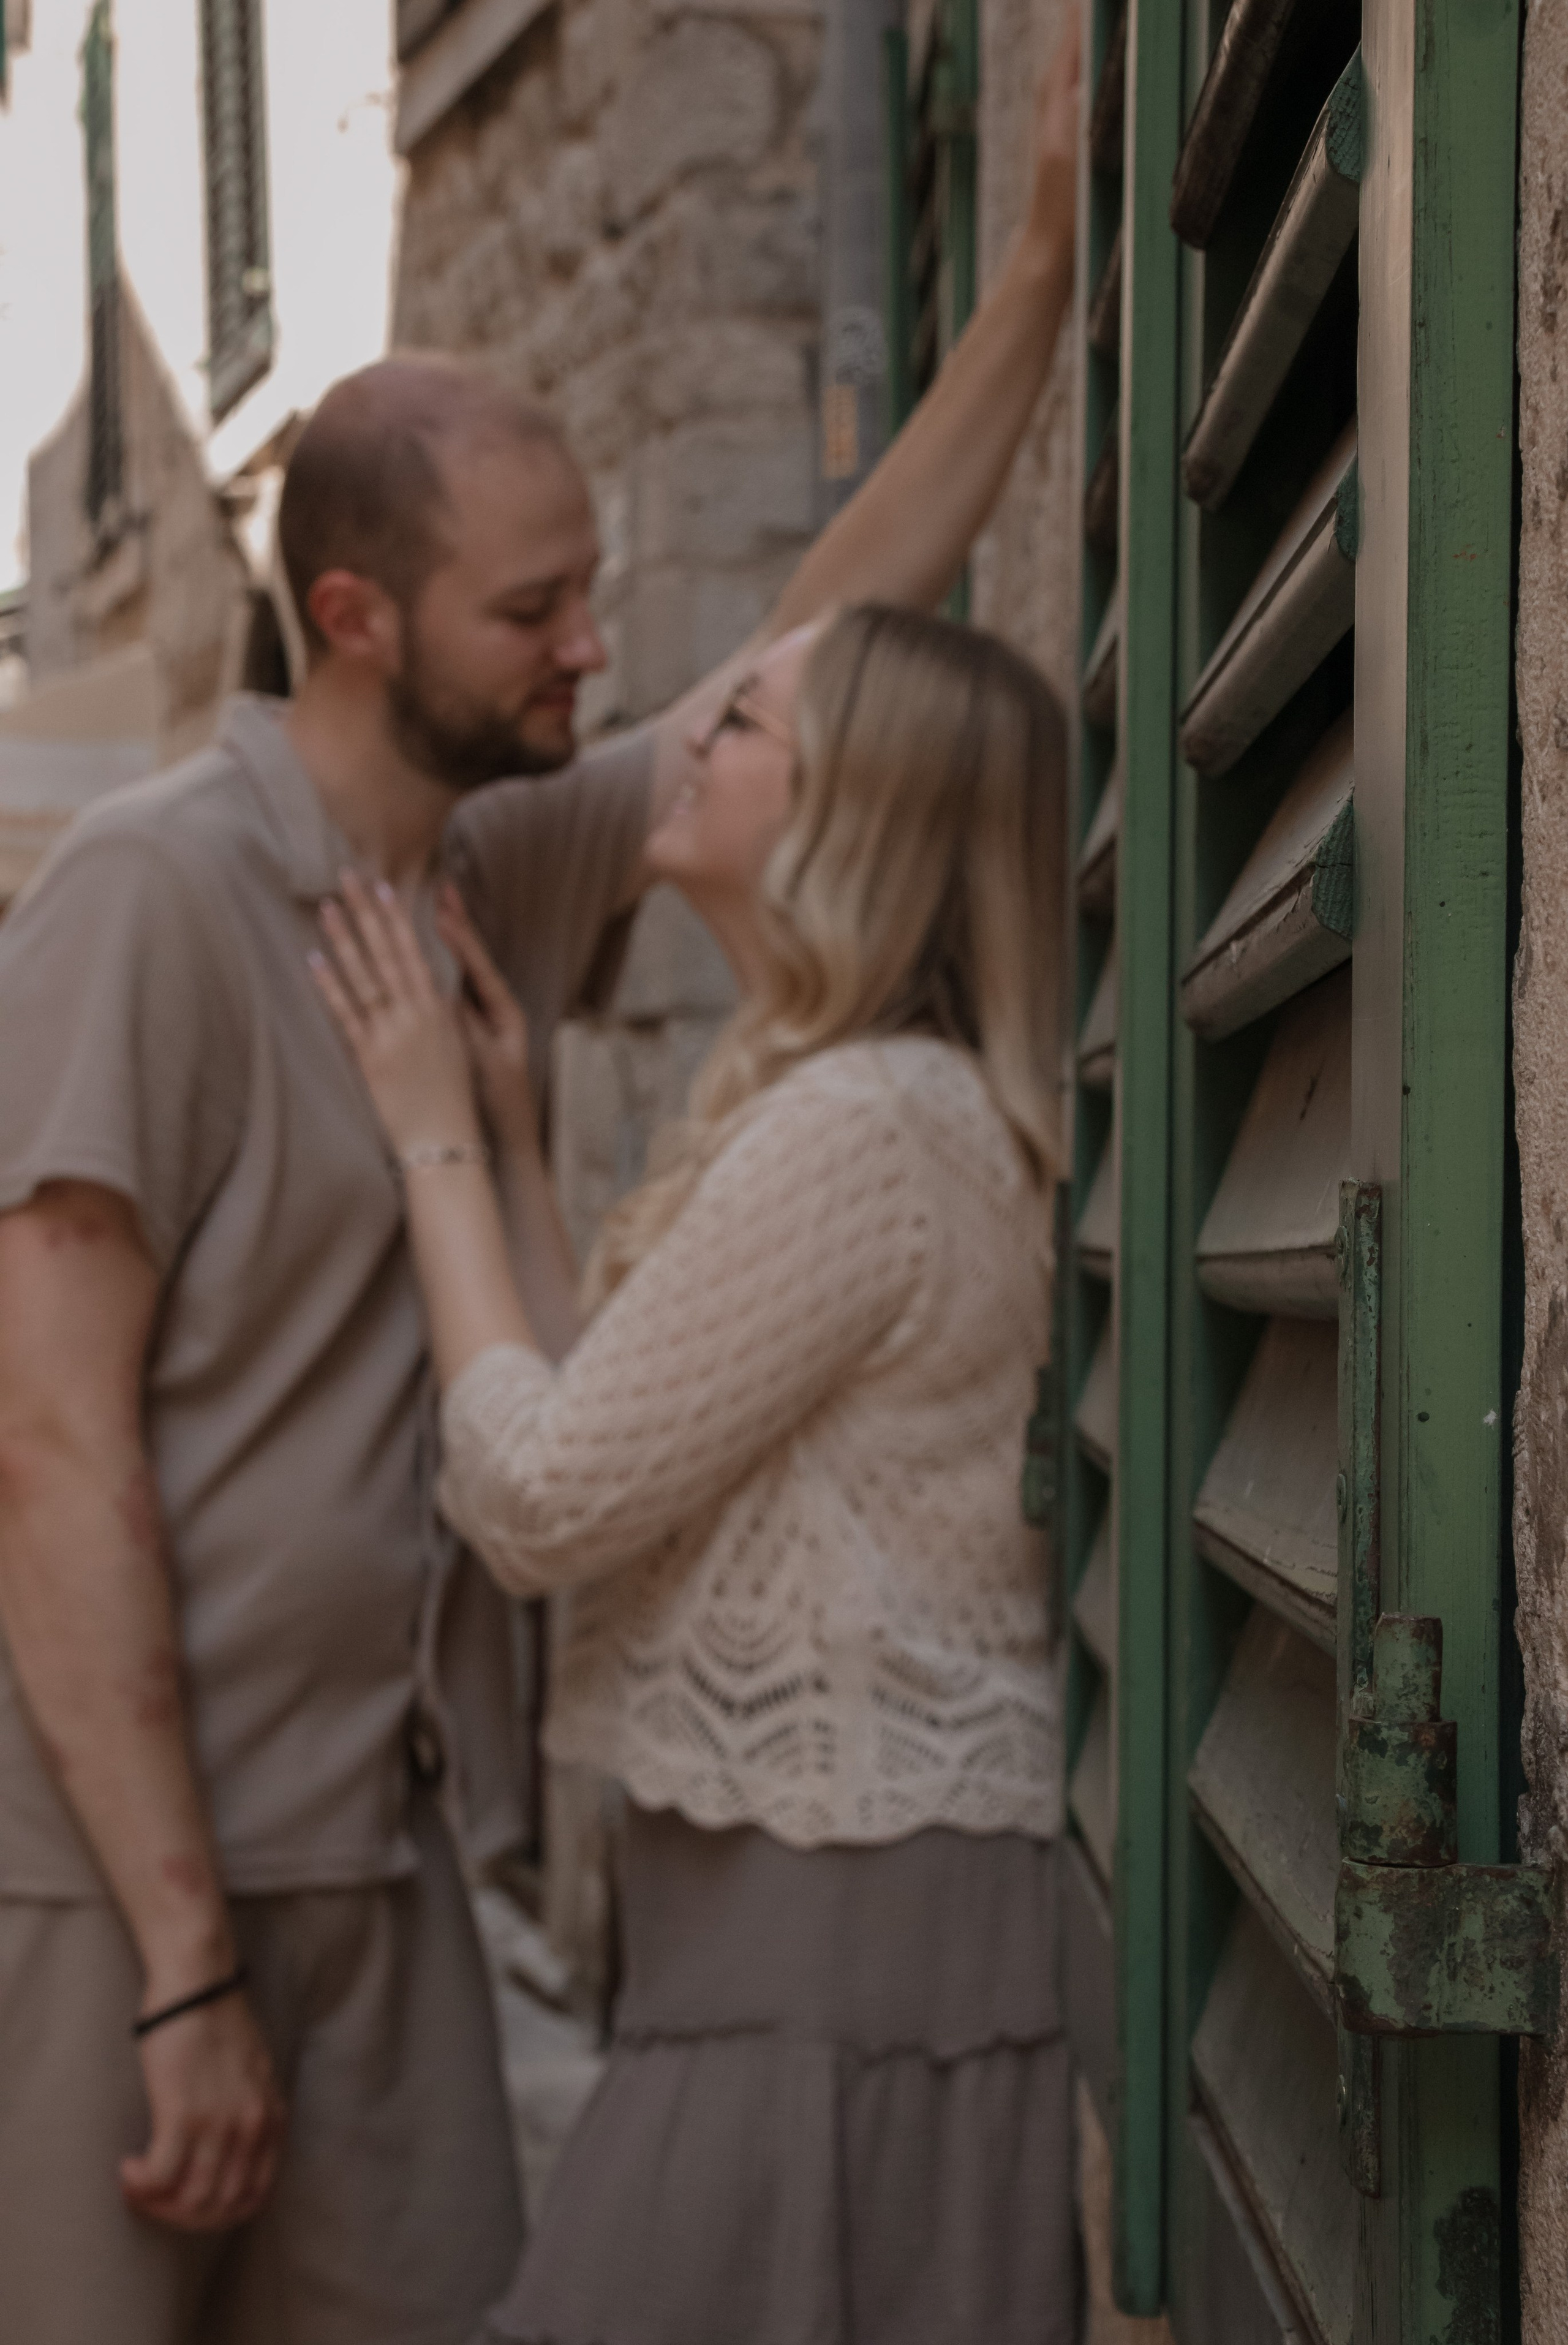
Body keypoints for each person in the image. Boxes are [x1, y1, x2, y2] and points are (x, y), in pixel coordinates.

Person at [0, 31, 1077, 2345]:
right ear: (363, 618)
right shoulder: (146, 895)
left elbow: (821, 642)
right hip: (126, 1883)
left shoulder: (493, 861)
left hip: (385, 1873)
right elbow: (47, 1435)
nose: (602, 652)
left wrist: (1038, 293)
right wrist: (182, 1955)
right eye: (538, 609)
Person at [315, 598, 1070, 2345]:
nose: (683, 735)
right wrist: (510, 1139)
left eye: (739, 720)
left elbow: (544, 1498)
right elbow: (638, 1433)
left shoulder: (862, 1125)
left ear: (844, 814)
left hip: (833, 1947)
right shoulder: (866, 1105)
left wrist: (424, 1130)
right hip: (819, 1929)